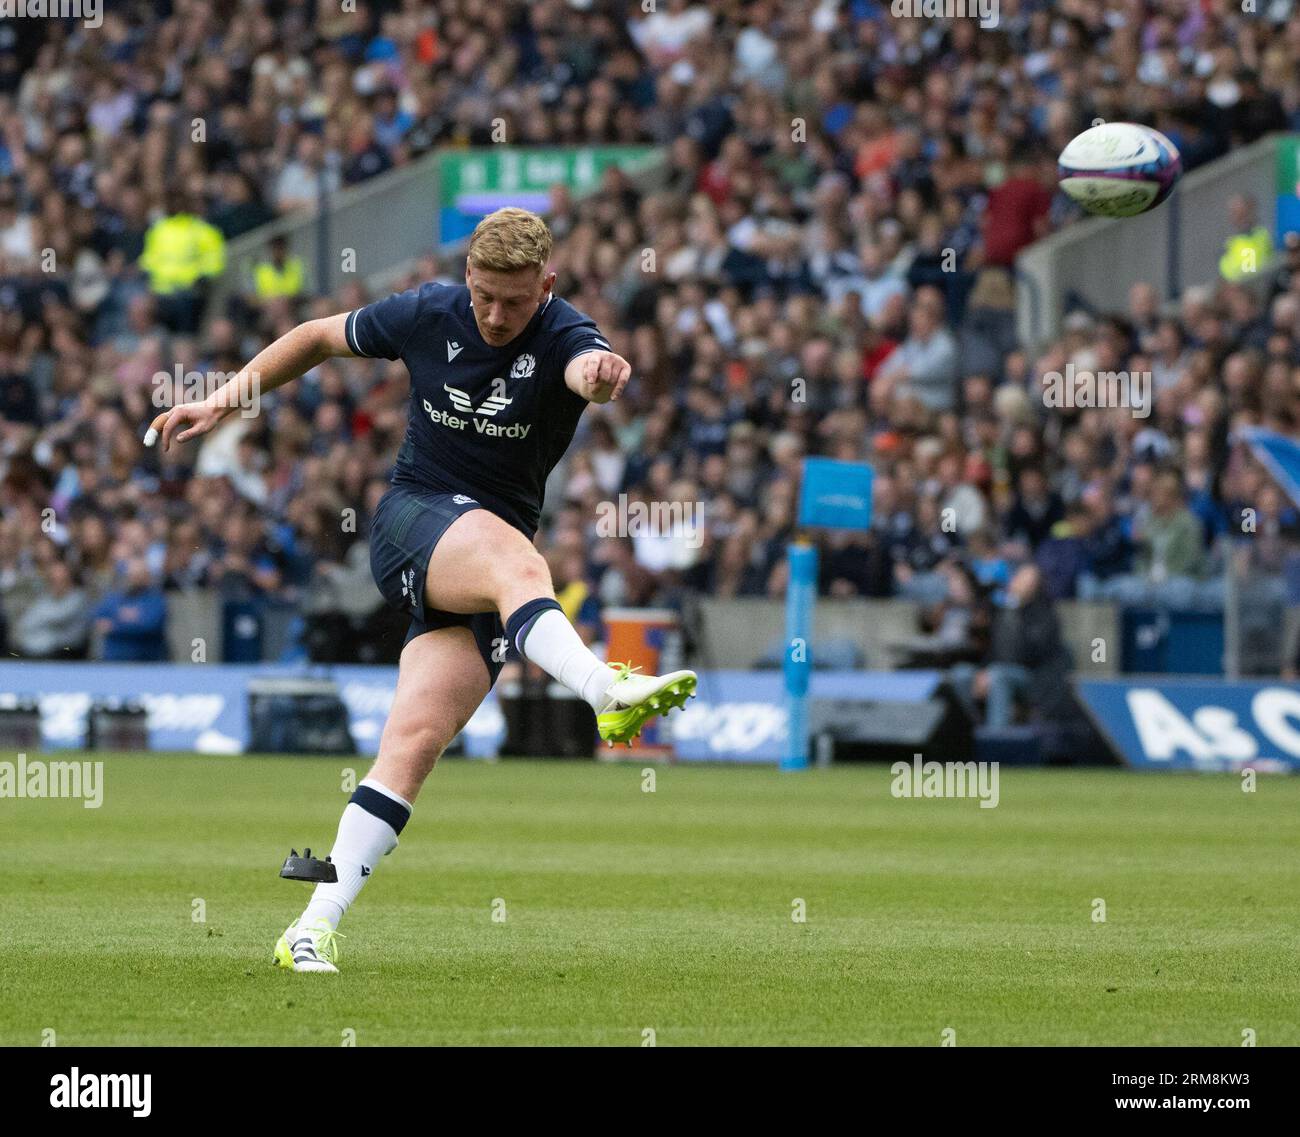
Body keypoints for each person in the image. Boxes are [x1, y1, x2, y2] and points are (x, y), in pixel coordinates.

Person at [148, 208, 697, 973]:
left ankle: (309, 927)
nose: (496, 315)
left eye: (513, 300)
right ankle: (604, 687)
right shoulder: (428, 311)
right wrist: (222, 399)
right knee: (521, 566)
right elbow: (314, 337)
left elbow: (588, 374)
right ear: (466, 278)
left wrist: (600, 380)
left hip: (481, 567)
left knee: (410, 749)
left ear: (547, 285)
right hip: (413, 521)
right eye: (483, 296)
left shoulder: (570, 336)